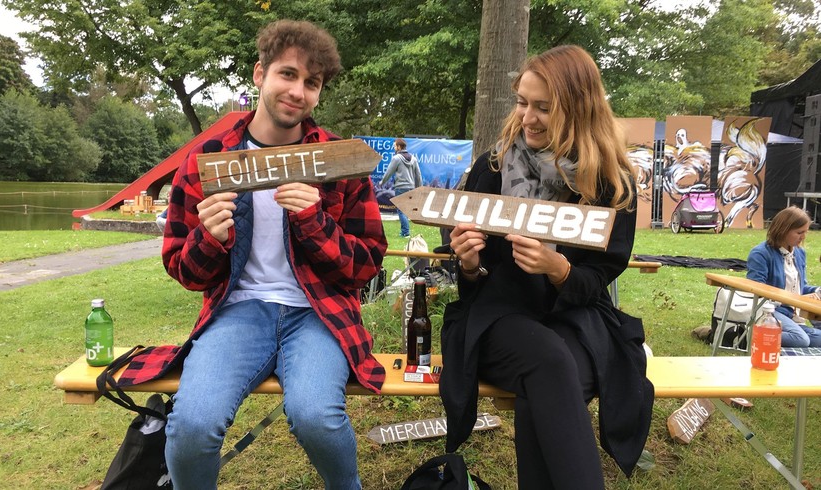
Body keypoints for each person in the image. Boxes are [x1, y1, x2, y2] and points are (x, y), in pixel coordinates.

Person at [115, 20, 388, 489]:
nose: (298, 91)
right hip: (237, 312)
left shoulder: (337, 160)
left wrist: (314, 221)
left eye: (312, 83)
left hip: (318, 315)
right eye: (287, 74)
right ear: (259, 74)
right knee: (193, 425)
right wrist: (210, 237)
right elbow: (183, 269)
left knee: (316, 416)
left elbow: (366, 264)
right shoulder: (208, 159)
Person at [439, 45, 654, 489]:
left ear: (579, 110)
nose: (528, 118)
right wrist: (470, 262)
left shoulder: (611, 182)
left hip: (575, 318)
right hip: (497, 318)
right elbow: (471, 283)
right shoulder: (492, 168)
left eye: (544, 108)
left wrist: (558, 269)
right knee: (552, 361)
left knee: (556, 381)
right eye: (522, 103)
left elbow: (599, 278)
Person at [746, 206, 821, 347]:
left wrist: (817, 291)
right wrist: (796, 299)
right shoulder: (760, 254)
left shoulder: (799, 253)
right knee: (801, 340)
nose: (803, 237)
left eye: (805, 232)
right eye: (799, 232)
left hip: (793, 316)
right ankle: (745, 335)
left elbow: (800, 288)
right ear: (783, 230)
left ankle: (790, 334)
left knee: (805, 339)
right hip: (770, 312)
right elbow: (756, 292)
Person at [379, 138, 423, 238]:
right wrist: (419, 187)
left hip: (401, 187)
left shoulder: (397, 158)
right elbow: (418, 175)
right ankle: (405, 231)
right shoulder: (413, 158)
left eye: (395, 146)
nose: (394, 148)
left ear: (399, 147)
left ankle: (405, 232)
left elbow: (389, 172)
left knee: (401, 210)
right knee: (406, 210)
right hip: (411, 187)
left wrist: (382, 182)